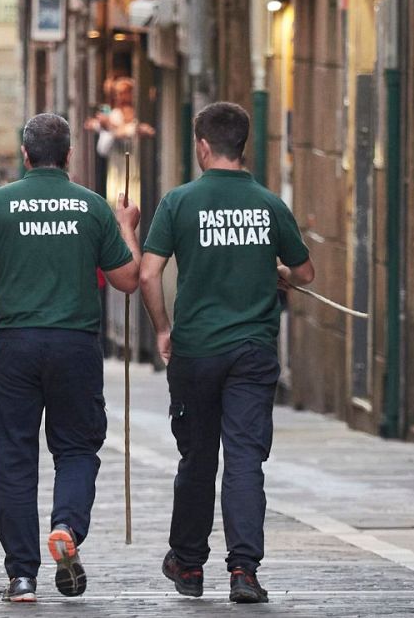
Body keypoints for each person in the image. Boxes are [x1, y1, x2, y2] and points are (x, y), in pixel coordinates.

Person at [0, 113, 142, 603]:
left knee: (13, 458)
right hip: (75, 345)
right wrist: (126, 227)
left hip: (14, 344)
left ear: (25, 154)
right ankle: (66, 528)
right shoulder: (91, 207)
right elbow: (128, 279)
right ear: (69, 155)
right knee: (77, 450)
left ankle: (21, 577)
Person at [136, 102, 314, 604]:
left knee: (197, 457)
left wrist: (163, 330)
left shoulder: (179, 202)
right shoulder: (269, 204)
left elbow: (149, 273)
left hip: (196, 351)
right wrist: (275, 270)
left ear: (203, 146)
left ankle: (189, 565)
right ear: (244, 146)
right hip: (253, 350)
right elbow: (305, 274)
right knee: (244, 460)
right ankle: (244, 571)